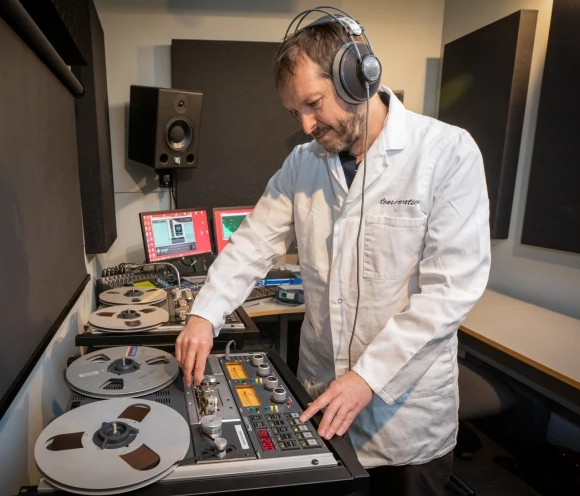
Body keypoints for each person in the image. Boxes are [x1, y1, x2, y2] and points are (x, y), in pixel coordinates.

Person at [175, 8, 491, 496]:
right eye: (294, 112)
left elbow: (449, 292)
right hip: (322, 404)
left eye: (314, 104)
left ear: (357, 76)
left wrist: (368, 377)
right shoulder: (302, 164)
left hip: (405, 419)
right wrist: (203, 315)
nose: (305, 125)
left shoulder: (447, 152)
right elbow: (252, 245)